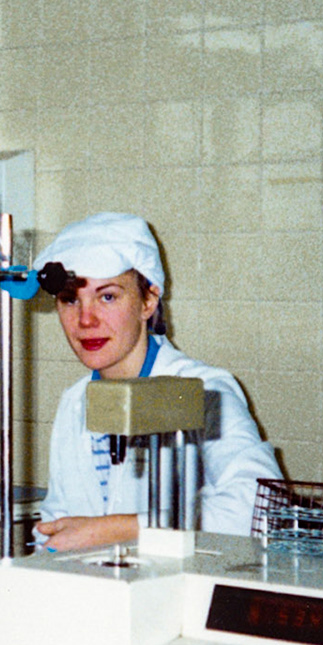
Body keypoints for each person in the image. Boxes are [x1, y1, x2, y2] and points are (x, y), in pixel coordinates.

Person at [32, 213, 281, 551]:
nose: (85, 320)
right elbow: (58, 517)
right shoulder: (75, 402)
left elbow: (260, 510)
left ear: (148, 301)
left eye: (107, 297)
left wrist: (119, 529)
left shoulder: (203, 391)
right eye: (70, 299)